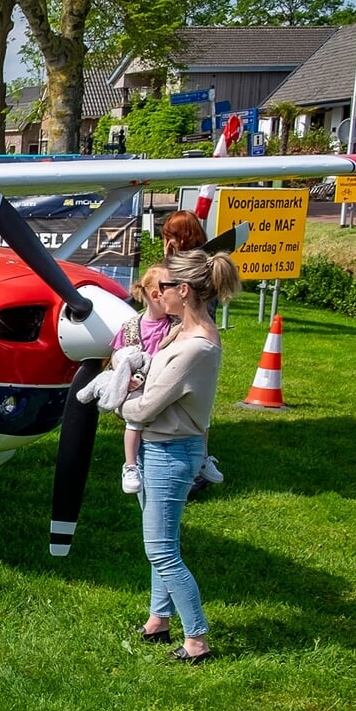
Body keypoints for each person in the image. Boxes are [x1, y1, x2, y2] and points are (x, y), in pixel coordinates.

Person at [120, 246, 240, 664]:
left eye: (165, 286)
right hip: (162, 448)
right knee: (162, 541)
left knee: (161, 550)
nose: (159, 293)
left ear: (184, 290)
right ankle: (158, 619)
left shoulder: (194, 348)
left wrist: (117, 397)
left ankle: (197, 639)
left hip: (169, 453)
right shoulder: (182, 333)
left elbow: (144, 407)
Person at [158, 211, 225, 492]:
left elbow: (171, 303)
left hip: (188, 342)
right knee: (197, 409)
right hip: (195, 341)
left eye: (170, 236)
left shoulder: (192, 270)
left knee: (187, 409)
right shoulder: (202, 262)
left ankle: (196, 467)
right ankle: (200, 464)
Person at [111, 265, 177, 494]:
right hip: (136, 385)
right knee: (134, 420)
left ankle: (204, 458)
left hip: (162, 380)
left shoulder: (174, 325)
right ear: (157, 296)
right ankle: (130, 466)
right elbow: (116, 354)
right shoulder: (131, 326)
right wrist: (123, 372)